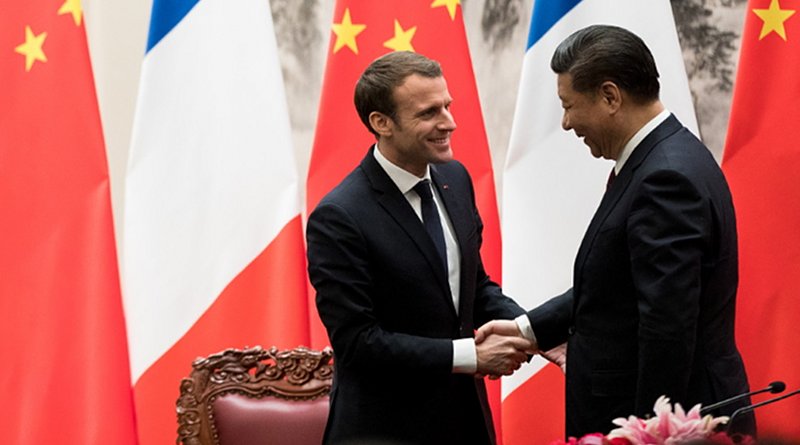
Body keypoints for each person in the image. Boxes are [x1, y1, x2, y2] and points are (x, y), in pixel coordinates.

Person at [477, 25, 754, 436]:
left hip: (672, 423)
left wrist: (645, 435)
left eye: (569, 106)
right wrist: (526, 329)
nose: (567, 123)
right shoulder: (662, 157)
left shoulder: (665, 179)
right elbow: (615, 282)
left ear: (610, 96)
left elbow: (667, 330)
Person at [306, 51, 533, 445]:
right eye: (429, 113)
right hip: (385, 431)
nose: (449, 122)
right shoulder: (339, 216)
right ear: (381, 123)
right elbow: (358, 344)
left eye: (447, 105)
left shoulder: (455, 178)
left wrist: (534, 330)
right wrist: (471, 356)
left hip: (466, 424)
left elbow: (473, 288)